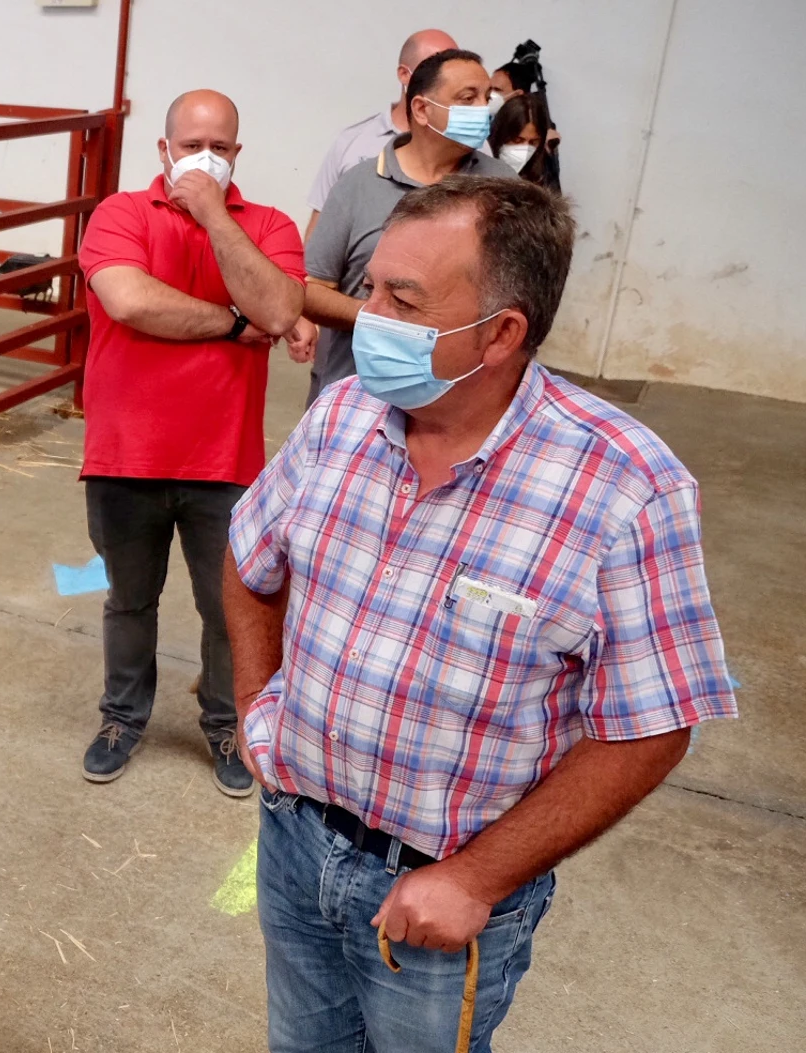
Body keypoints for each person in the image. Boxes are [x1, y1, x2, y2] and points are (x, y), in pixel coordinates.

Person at [225, 176, 737, 1052]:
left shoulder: (623, 487)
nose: (365, 313)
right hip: (295, 841)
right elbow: (250, 563)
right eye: (371, 285)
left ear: (501, 332)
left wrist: (476, 878)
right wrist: (254, 709)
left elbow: (653, 724)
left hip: (440, 897)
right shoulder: (342, 417)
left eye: (403, 298)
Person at [73, 91, 304, 793]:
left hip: (225, 462)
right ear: (164, 150)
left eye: (223, 146)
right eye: (193, 143)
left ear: (239, 153)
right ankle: (121, 716)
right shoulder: (120, 214)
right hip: (125, 455)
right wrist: (233, 326)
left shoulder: (269, 224)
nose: (207, 157)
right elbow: (130, 301)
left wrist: (210, 212)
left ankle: (229, 722)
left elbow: (278, 307)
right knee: (128, 600)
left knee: (229, 608)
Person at [301, 49, 514, 404]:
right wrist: (387, 322)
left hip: (461, 402)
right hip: (355, 397)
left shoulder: (506, 189)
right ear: (421, 109)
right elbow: (310, 289)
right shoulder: (360, 183)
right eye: (467, 98)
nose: (483, 109)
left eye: (486, 98)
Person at [302, 29, 457, 244]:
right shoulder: (352, 143)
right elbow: (318, 241)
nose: (449, 80)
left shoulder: (474, 149)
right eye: (436, 68)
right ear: (405, 74)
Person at [488, 92, 560, 191]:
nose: (525, 148)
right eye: (517, 140)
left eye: (533, 142)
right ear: (502, 134)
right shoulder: (477, 167)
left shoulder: (542, 174)